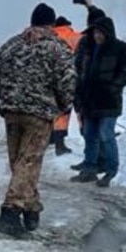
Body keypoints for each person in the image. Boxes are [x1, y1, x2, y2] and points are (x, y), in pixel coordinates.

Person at [0, 3, 77, 236]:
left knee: (20, 162)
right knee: (28, 162)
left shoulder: (11, 45)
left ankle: (31, 209)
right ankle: (9, 213)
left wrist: (10, 95)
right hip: (39, 113)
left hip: (11, 112)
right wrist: (62, 106)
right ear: (51, 24)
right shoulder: (57, 48)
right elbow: (67, 83)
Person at [70, 14, 126, 187]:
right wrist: (79, 94)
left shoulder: (122, 49)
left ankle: (111, 169)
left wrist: (112, 88)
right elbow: (83, 73)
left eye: (100, 33)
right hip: (90, 101)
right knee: (89, 134)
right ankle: (90, 168)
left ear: (108, 32)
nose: (96, 36)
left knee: (106, 135)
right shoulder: (90, 50)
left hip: (108, 102)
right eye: (94, 33)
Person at [49, 16, 82, 156]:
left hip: (55, 81)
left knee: (60, 113)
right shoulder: (75, 36)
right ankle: (92, 142)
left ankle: (58, 143)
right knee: (82, 111)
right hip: (76, 79)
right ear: (68, 25)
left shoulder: (49, 37)